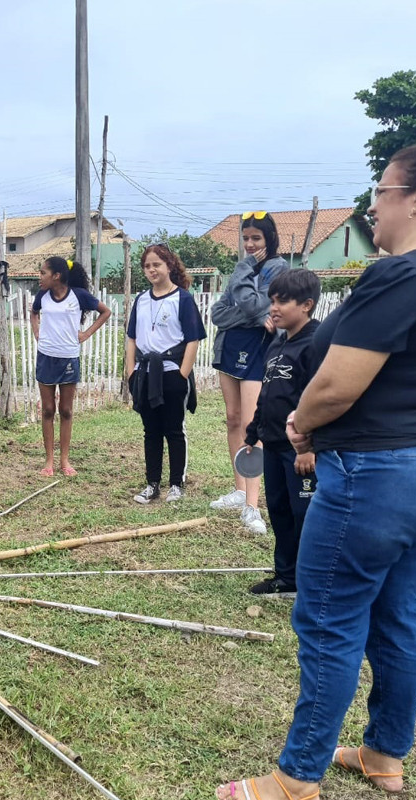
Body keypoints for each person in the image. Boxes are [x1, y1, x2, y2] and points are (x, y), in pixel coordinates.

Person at [217, 143, 416, 800]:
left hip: (383, 471)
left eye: (382, 189)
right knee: (396, 609)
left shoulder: (400, 275)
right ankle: (383, 754)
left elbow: (339, 382)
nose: (372, 203)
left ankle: (296, 780)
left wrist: (301, 425)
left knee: (327, 617)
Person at [242, 269, 323, 598]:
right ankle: (286, 576)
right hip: (274, 444)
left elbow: (319, 400)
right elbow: (268, 392)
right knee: (279, 508)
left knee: (305, 514)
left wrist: (309, 448)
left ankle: (312, 582)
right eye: (272, 300)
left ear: (306, 305)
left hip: (301, 452)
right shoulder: (278, 343)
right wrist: (254, 431)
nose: (273, 307)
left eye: (283, 301)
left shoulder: (317, 344)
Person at [209, 212, 289, 535]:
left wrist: (251, 308)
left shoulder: (278, 269)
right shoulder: (241, 268)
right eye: (245, 238)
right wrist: (255, 314)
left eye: (256, 237)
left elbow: (256, 303)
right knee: (231, 418)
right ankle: (239, 489)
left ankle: (253, 506)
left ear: (269, 237)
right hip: (229, 348)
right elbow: (218, 312)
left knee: (250, 424)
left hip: (259, 351)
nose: (250, 244)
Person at [124, 244, 205, 504]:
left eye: (156, 264)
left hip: (172, 372)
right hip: (146, 373)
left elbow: (193, 340)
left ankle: (176, 484)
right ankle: (152, 483)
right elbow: (131, 338)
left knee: (174, 429)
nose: (151, 270)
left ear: (169, 266)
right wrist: (131, 372)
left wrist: (182, 374)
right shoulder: (142, 300)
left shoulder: (182, 299)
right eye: (147, 266)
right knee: (151, 430)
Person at [31, 256, 112, 477]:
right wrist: (36, 331)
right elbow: (33, 312)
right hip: (46, 357)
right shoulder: (42, 296)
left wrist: (86, 333)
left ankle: (64, 461)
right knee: (48, 410)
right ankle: (48, 461)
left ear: (56, 276)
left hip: (69, 357)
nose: (40, 277)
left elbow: (105, 312)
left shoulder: (79, 296)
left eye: (43, 273)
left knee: (66, 411)